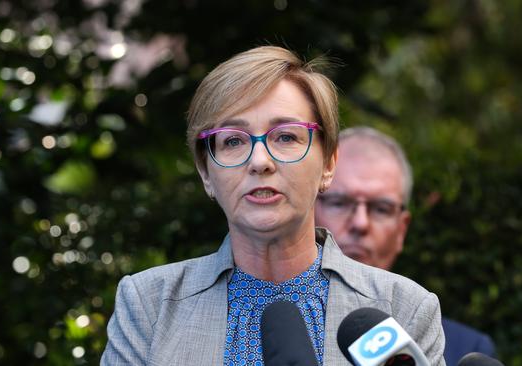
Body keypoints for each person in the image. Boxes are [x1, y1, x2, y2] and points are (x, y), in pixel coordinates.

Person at [101, 47, 446, 365]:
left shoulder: (404, 309)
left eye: (285, 136)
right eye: (233, 140)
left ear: (328, 162)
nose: (260, 161)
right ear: (206, 172)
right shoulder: (149, 305)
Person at [315, 126, 496, 366]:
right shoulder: (279, 332)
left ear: (402, 230)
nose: (360, 223)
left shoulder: (462, 348)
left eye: (381, 209)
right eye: (338, 203)